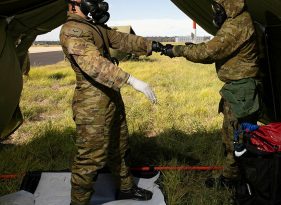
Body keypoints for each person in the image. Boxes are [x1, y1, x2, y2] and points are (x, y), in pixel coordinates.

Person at [60, 1, 164, 204]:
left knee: (120, 146)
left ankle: (125, 189)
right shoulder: (72, 30)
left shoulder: (93, 26)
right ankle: (79, 202)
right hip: (91, 104)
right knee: (90, 158)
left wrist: (154, 46)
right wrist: (131, 80)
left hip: (110, 97)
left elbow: (122, 40)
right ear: (73, 4)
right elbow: (94, 64)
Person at [161, 0, 264, 187]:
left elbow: (208, 52)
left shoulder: (237, 24)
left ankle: (233, 179)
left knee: (236, 138)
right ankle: (238, 174)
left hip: (241, 89)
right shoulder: (239, 21)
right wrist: (190, 49)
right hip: (237, 89)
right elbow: (213, 53)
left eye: (218, 9)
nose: (216, 14)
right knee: (232, 134)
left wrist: (176, 50)